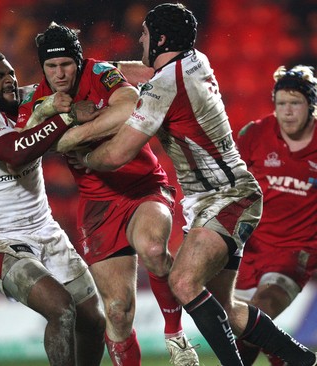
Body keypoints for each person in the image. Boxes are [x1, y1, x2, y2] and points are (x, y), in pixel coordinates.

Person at [72, 3, 317, 366]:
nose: (140, 39)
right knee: (227, 310)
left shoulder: (164, 86)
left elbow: (117, 155)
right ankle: (302, 359)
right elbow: (143, 71)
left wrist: (83, 156)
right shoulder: (195, 60)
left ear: (161, 39)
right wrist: (95, 70)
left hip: (226, 198)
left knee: (184, 283)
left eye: (145, 34)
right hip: (227, 195)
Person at [16, 22, 200, 366]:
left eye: (66, 64)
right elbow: (23, 146)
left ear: (78, 60)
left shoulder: (99, 71)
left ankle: (175, 337)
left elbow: (130, 105)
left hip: (142, 185)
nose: (60, 73)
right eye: (51, 66)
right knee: (116, 312)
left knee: (154, 248)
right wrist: (67, 118)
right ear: (43, 67)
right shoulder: (38, 98)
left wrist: (69, 136)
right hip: (97, 204)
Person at [0, 49, 105, 366]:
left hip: (46, 231)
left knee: (94, 320)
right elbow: (13, 153)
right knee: (61, 308)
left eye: (11, 72)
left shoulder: (27, 100)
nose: (10, 79)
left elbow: (78, 84)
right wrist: (65, 117)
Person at [234, 65, 317, 366]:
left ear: (311, 105)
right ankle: (290, 360)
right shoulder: (254, 134)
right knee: (239, 326)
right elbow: (232, 184)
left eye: (295, 103)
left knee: (261, 309)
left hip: (294, 251)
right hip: (249, 248)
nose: (287, 111)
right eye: (281, 103)